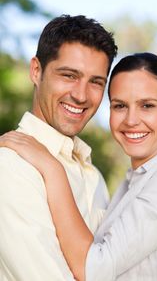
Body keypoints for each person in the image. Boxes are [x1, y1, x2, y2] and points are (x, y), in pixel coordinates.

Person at [0, 53, 157, 281]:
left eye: (147, 105)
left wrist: (52, 170)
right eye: (120, 106)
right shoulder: (135, 180)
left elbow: (94, 269)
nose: (131, 120)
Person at [0, 14, 118, 281]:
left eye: (96, 82)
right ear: (36, 71)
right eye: (69, 75)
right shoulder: (10, 167)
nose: (81, 94)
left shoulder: (94, 176)